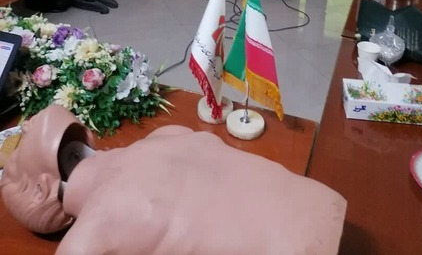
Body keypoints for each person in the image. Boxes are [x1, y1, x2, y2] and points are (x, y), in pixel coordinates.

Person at [1, 105, 346, 255]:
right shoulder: (89, 235)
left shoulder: (164, 135)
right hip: (323, 209)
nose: (22, 127)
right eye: (17, 147)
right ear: (41, 189)